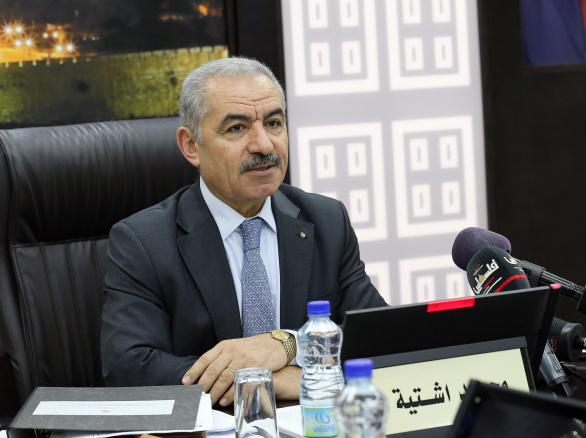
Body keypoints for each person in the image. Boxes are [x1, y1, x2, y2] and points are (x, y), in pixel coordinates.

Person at [100, 57, 387, 405]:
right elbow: (130, 368)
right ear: (191, 145)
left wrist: (290, 345)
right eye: (237, 128)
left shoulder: (326, 221)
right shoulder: (143, 242)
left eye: (274, 123)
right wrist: (263, 382)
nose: (264, 145)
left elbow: (380, 337)